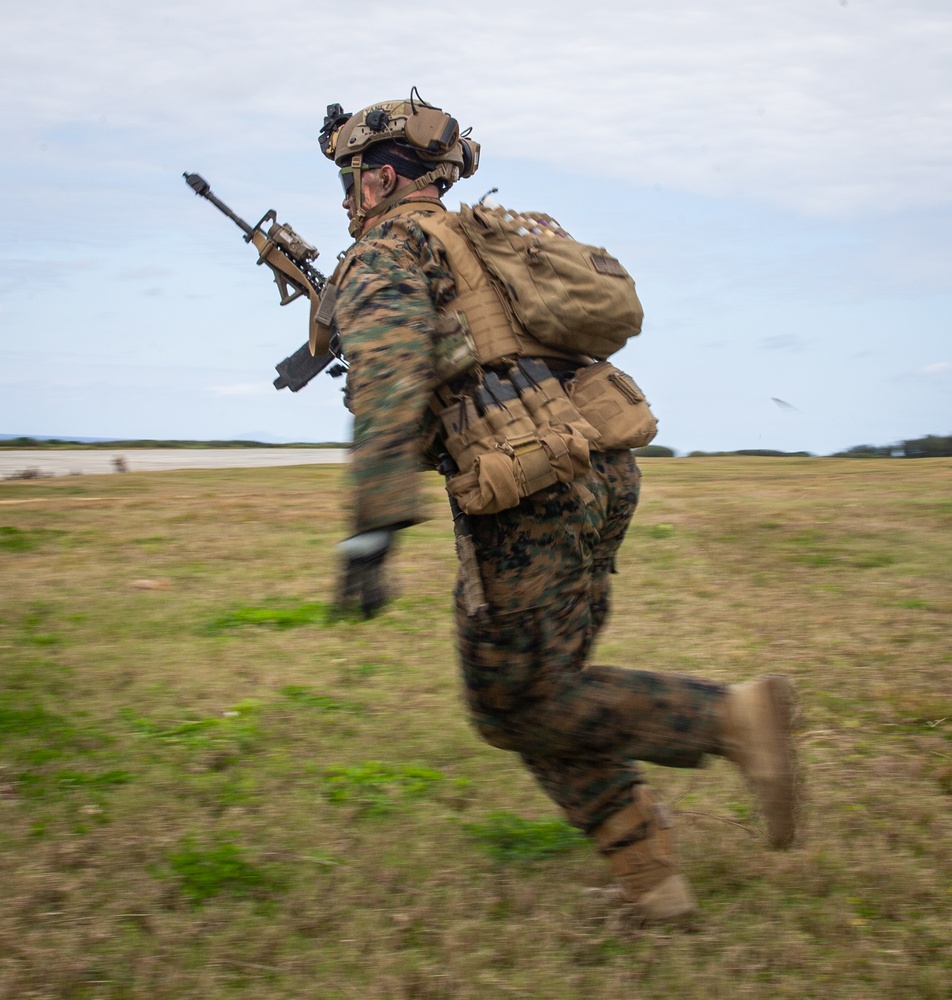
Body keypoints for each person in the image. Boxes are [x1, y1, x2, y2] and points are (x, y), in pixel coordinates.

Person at [317, 94, 799, 922]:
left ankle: (730, 718)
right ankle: (654, 883)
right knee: (539, 690)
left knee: (519, 701)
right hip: (598, 469)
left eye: (352, 177)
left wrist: (370, 529)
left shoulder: (388, 250)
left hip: (527, 489)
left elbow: (390, 379)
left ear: (381, 178)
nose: (348, 194)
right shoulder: (477, 242)